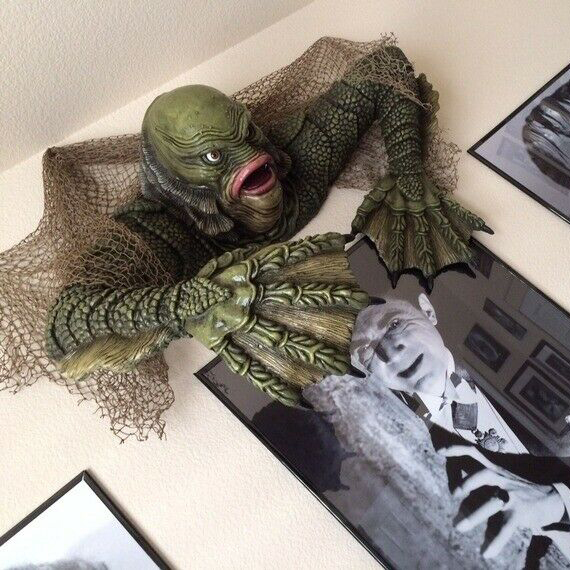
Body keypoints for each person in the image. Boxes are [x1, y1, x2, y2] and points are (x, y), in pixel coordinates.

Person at [350, 294, 570, 561]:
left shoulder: (550, 388)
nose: (390, 351)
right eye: (366, 351)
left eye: (394, 324)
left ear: (428, 312)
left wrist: (560, 501)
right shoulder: (397, 455)